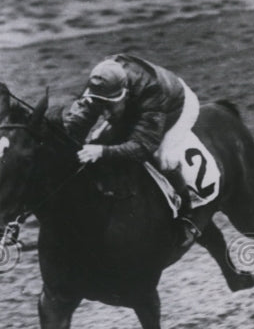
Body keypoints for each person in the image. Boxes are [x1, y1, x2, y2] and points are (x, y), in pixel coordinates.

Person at [62, 54, 204, 248]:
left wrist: (103, 152)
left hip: (175, 106)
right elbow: (78, 122)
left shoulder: (152, 91)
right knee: (97, 139)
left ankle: (186, 217)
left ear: (124, 93)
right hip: (136, 106)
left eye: (108, 105)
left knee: (163, 158)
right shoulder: (100, 84)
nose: (104, 113)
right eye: (99, 104)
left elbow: (143, 147)